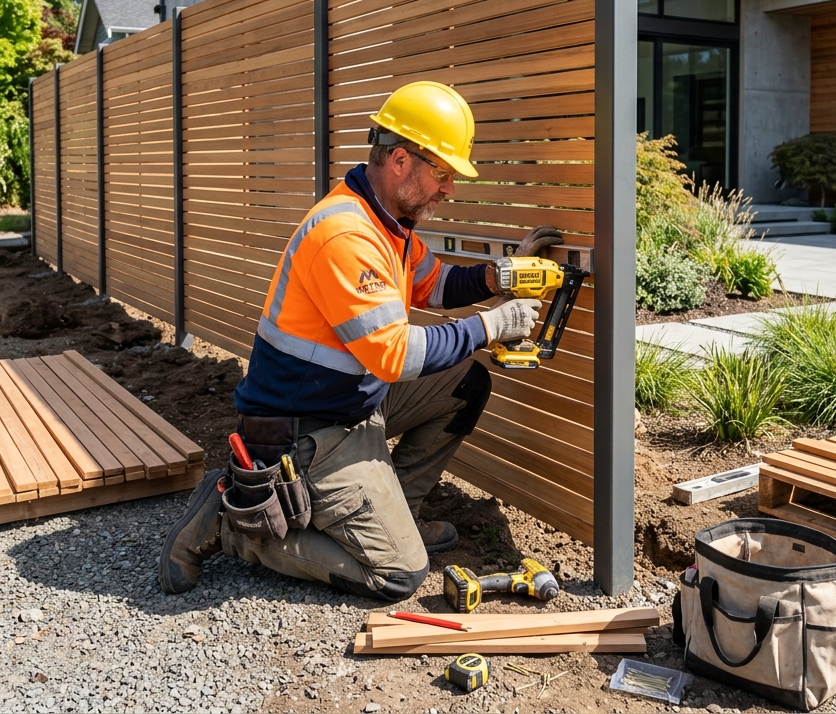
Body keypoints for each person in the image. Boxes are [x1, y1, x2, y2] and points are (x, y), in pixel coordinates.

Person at [159, 81, 562, 601]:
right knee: (399, 575)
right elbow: (393, 354)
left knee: (465, 383)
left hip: (349, 402)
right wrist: (491, 326)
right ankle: (238, 526)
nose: (448, 189)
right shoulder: (346, 234)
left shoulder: (389, 225)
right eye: (441, 173)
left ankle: (399, 515)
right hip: (303, 432)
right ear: (400, 160)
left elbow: (435, 285)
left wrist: (501, 276)